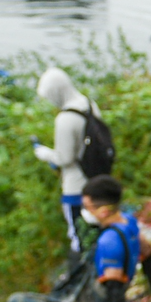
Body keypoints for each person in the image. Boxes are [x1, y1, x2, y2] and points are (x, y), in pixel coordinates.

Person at [0, 175, 151, 302]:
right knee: (48, 294)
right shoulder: (128, 221)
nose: (84, 212)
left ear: (103, 211)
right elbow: (147, 250)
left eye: (88, 207)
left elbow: (114, 285)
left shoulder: (109, 241)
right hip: (93, 300)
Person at [33, 68, 101, 251]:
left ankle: (89, 272)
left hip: (75, 186)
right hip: (97, 176)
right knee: (99, 224)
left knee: (79, 234)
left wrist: (43, 153)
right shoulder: (89, 104)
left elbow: (64, 158)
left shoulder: (65, 119)